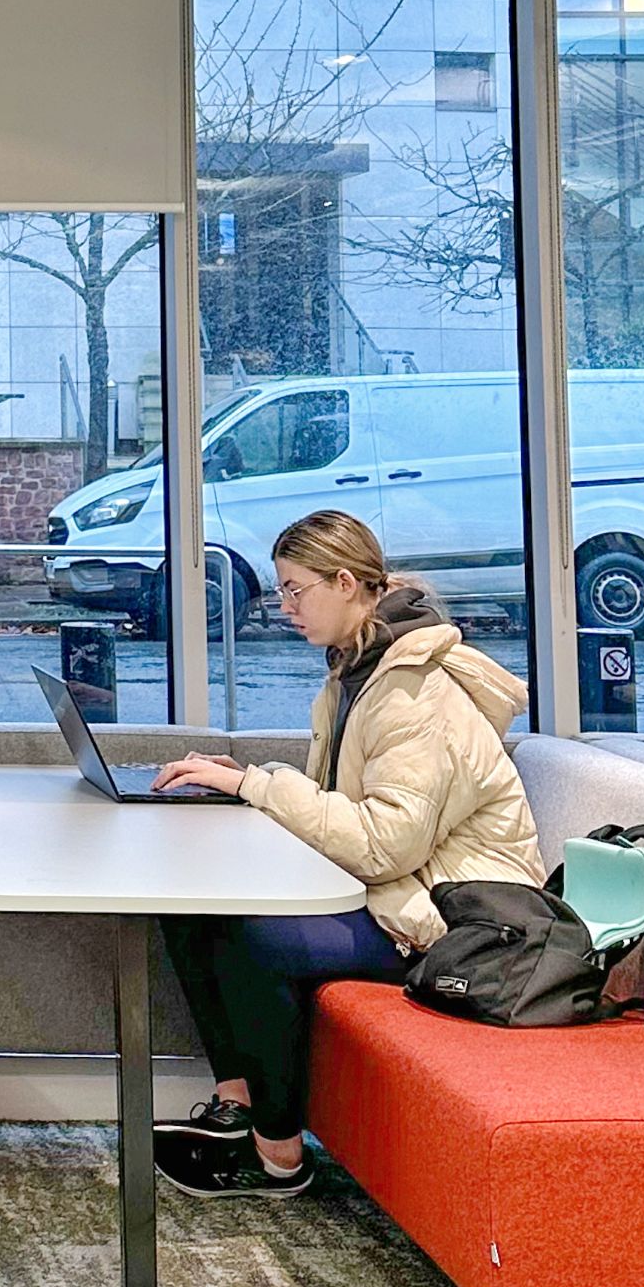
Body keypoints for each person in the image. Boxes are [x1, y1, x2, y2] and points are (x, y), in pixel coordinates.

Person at [142, 509, 543, 1198]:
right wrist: (246, 785)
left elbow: (383, 844)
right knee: (187, 904)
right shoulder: (357, 671)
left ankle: (278, 1154)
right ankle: (235, 1108)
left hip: (462, 921)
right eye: (282, 592)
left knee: (256, 935)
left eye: (296, 590)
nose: (284, 608)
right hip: (402, 891)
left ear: (348, 582)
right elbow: (344, 810)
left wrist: (253, 785)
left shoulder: (415, 693)